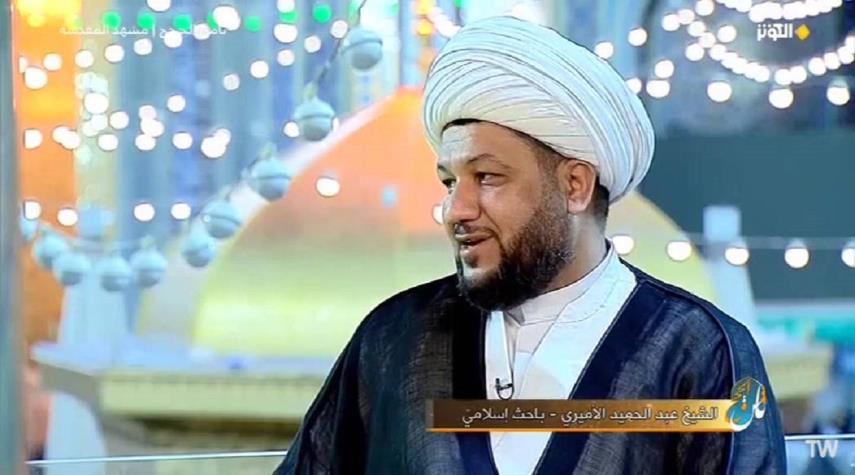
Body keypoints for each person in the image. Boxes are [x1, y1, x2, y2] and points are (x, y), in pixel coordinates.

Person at [275, 16, 786, 475]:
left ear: (575, 186)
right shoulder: (397, 337)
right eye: (450, 182)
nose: (456, 209)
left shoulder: (698, 350)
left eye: (487, 177)